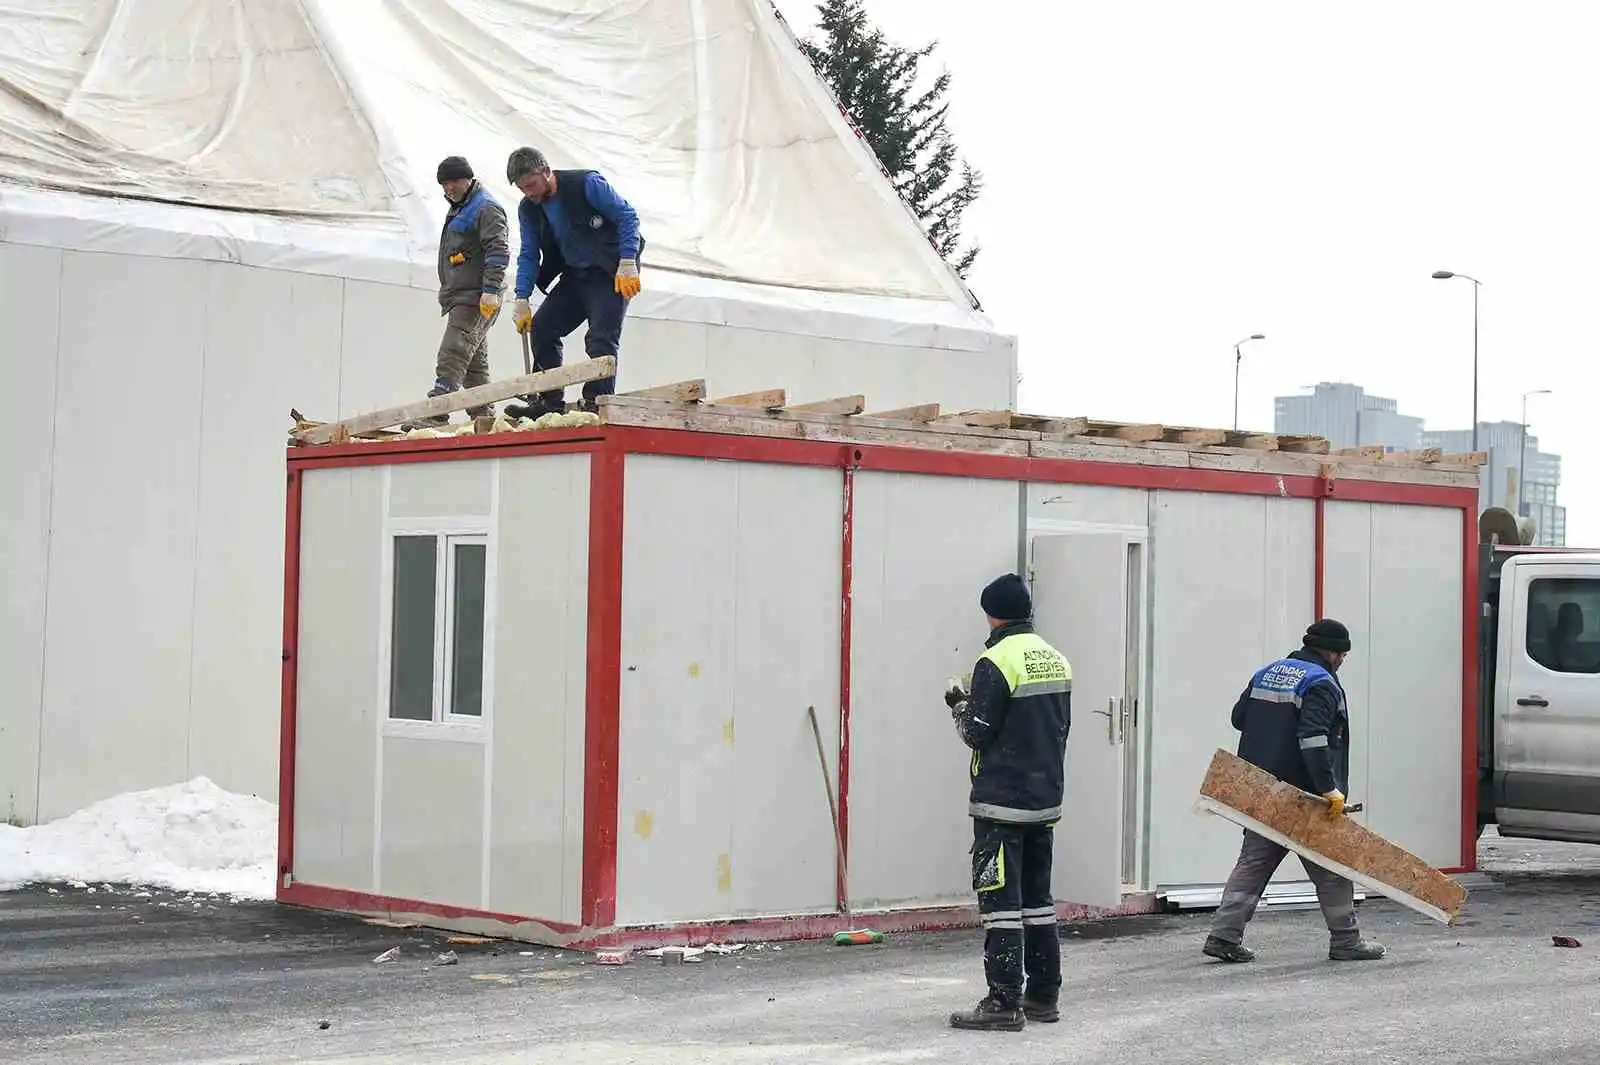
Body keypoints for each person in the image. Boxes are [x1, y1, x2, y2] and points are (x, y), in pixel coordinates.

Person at [1202, 618, 1387, 964]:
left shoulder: (1267, 672)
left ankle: (1224, 935)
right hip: (1303, 797)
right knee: (1332, 866)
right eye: (1343, 655)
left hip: (1260, 789)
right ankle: (1346, 941)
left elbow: (1239, 718)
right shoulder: (1321, 684)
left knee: (1253, 863)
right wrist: (1328, 789)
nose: (1343, 661)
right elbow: (1313, 739)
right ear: (1332, 652)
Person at [943, 573, 1073, 1032]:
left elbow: (977, 732)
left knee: (999, 902)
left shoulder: (994, 660)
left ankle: (1002, 1003)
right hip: (1043, 802)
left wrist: (958, 703)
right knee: (1038, 902)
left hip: (1000, 804)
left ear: (992, 613)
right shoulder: (1056, 659)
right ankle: (1043, 997)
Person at [501, 147, 645, 418]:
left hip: (609, 272)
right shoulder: (529, 209)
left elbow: (628, 216)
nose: (529, 193)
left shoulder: (587, 184)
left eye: (531, 185)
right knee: (543, 327)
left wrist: (627, 261)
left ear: (546, 171)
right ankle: (548, 402)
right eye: (522, 189)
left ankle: (597, 402)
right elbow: (529, 253)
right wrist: (521, 298)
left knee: (601, 338)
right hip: (575, 275)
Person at [417, 156, 509, 428]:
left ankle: (437, 410)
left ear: (468, 178)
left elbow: (498, 250)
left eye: (454, 181)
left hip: (476, 297)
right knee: (473, 365)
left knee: (454, 351)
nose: (449, 188)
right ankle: (484, 418)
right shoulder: (462, 208)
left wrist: (490, 290)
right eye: (444, 184)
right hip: (464, 295)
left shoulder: (485, 208)